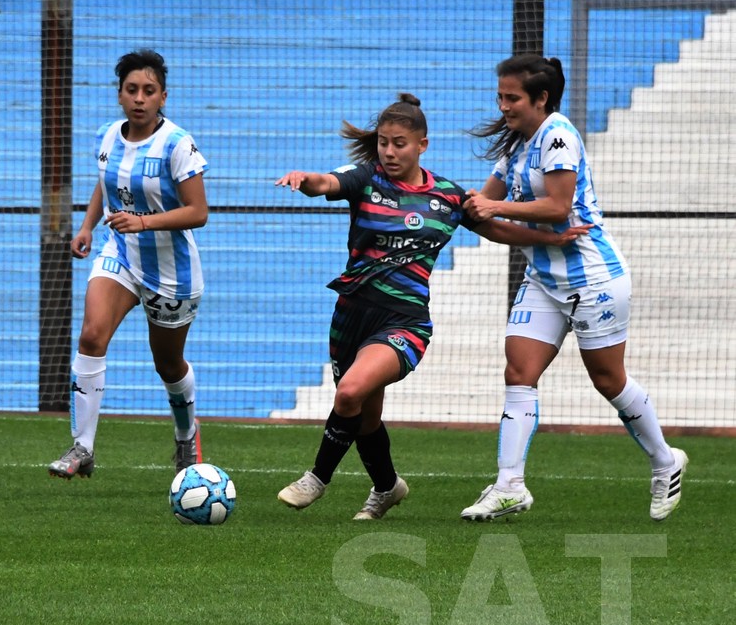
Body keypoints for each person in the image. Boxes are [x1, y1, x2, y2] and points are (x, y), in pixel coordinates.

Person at [274, 93, 590, 520]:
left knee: (349, 392)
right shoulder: (365, 179)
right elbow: (327, 182)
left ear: (422, 144)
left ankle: (317, 479)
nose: (388, 151)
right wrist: (306, 180)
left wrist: (551, 239)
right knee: (363, 416)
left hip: (405, 322)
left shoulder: (446, 197)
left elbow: (495, 229)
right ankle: (387, 487)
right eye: (384, 142)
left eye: (399, 143)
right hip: (351, 315)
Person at [459, 54, 689, 522]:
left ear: (541, 99)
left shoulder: (558, 134)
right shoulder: (517, 146)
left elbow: (558, 206)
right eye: (500, 96)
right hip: (543, 280)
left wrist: (490, 208)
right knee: (518, 372)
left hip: (593, 279)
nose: (503, 105)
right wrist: (477, 210)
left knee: (608, 380)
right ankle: (509, 486)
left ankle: (666, 461)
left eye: (512, 97)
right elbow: (483, 211)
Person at [47, 49, 209, 480]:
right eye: (132, 90)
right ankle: (82, 447)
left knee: (168, 365)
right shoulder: (106, 136)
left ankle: (185, 435)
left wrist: (144, 221)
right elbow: (107, 183)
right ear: (119, 95)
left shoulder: (177, 144)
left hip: (172, 272)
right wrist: (86, 227)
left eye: (149, 91)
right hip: (119, 253)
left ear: (163, 97)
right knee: (91, 335)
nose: (139, 98)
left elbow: (198, 212)